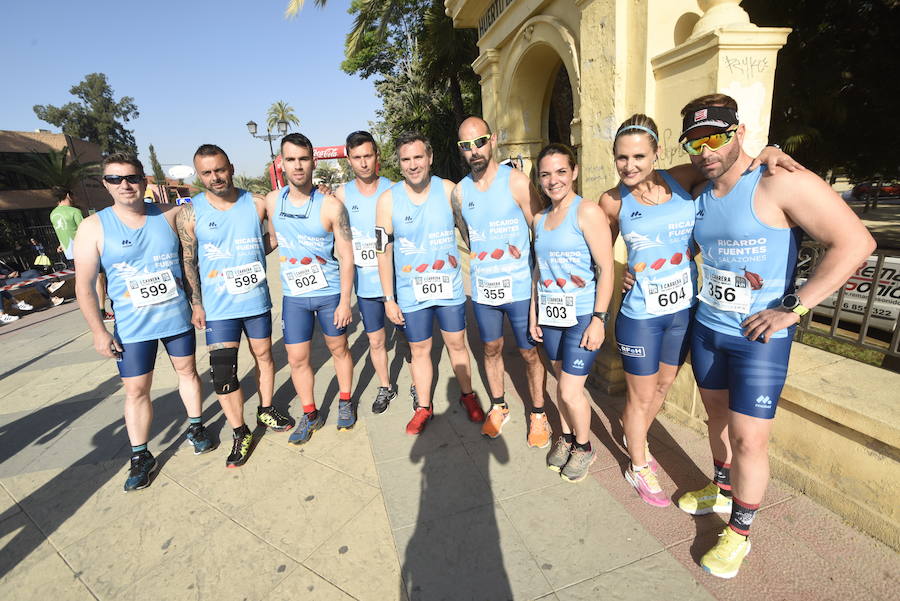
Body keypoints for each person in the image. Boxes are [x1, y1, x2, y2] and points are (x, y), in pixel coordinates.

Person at [675, 94, 875, 578]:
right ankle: (722, 490)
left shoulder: (777, 181)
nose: (707, 149)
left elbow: (856, 243)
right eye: (695, 140)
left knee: (749, 441)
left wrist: (794, 307)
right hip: (709, 330)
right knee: (716, 420)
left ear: (739, 132)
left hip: (758, 339)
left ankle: (739, 533)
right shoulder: (698, 190)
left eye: (717, 136)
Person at [599, 114, 801, 507]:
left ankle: (634, 433)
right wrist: (622, 273)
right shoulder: (611, 201)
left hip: (682, 313)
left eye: (639, 156)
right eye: (621, 158)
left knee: (661, 386)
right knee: (640, 397)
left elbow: (732, 167)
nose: (629, 166)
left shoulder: (682, 179)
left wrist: (769, 151)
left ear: (656, 154)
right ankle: (638, 464)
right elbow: (601, 255)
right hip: (640, 317)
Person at [72, 153, 214, 491]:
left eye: (132, 178)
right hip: (133, 327)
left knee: (188, 372)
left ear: (144, 180)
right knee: (136, 390)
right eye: (115, 179)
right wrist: (97, 331)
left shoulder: (168, 213)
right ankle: (140, 454)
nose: (125, 185)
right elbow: (84, 285)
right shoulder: (93, 227)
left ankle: (196, 427)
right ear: (105, 184)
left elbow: (214, 204)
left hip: (176, 318)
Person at [177, 144, 293, 468]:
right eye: (207, 173)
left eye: (220, 170)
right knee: (223, 373)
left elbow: (274, 236)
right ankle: (239, 431)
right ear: (199, 175)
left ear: (231, 167)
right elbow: (188, 261)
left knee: (265, 356)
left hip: (255, 300)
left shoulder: (256, 203)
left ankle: (266, 409)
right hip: (217, 308)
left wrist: (255, 255)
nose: (215, 177)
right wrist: (196, 304)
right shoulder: (191, 213)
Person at [375, 132, 483, 435]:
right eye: (406, 159)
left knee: (456, 344)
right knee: (419, 349)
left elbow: (469, 234)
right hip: (411, 292)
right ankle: (423, 407)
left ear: (430, 158)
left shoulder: (449, 190)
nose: (412, 165)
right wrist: (388, 298)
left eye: (418, 157)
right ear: (399, 163)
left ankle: (467, 396)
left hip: (448, 288)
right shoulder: (387, 201)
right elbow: (381, 251)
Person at [452, 117, 550, 446]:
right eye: (466, 146)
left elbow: (540, 230)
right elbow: (468, 236)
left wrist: (543, 282)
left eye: (479, 142)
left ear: (492, 140)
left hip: (521, 288)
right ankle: (499, 406)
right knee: (491, 348)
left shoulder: (517, 181)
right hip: (484, 289)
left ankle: (538, 413)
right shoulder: (461, 192)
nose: (474, 151)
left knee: (529, 353)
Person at [530, 143, 614, 483]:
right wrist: (534, 311)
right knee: (560, 380)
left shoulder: (588, 212)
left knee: (568, 390)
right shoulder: (539, 218)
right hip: (550, 314)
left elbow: (606, 269)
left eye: (561, 171)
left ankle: (584, 446)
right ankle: (566, 438)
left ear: (574, 172)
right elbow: (539, 269)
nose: (554, 180)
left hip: (581, 315)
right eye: (546, 174)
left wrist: (599, 318)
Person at [264, 133, 355, 441]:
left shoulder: (331, 205)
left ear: (313, 162)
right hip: (295, 298)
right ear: (282, 163)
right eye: (291, 159)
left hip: (329, 295)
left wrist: (345, 301)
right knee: (297, 358)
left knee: (339, 349)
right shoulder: (272, 201)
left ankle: (345, 401)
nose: (298, 166)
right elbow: (271, 240)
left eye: (303, 159)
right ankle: (310, 413)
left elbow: (346, 255)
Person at [333, 131, 401, 414]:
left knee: (409, 337)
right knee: (376, 339)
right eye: (357, 157)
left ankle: (415, 382)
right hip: (365, 285)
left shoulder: (393, 189)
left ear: (377, 157)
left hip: (398, 281)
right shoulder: (340, 195)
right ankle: (385, 386)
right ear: (349, 160)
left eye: (368, 156)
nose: (363, 163)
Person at [51, 189, 112, 322]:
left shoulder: (53, 214)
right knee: (99, 278)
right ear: (68, 195)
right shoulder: (74, 211)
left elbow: (60, 232)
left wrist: (62, 244)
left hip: (70, 252)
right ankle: (101, 311)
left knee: (82, 281)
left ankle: (89, 313)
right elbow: (85, 230)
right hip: (85, 249)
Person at [0, 258, 65, 311]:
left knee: (33, 272)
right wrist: (8, 276)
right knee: (34, 281)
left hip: (13, 276)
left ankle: (49, 286)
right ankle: (51, 299)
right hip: (5, 282)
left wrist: (15, 272)